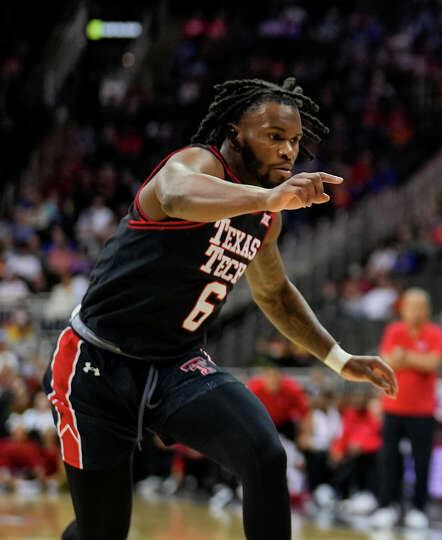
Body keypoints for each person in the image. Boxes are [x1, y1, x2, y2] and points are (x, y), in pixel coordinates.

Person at [42, 77, 398, 540]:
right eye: (274, 137)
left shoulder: (265, 215)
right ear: (235, 133)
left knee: (265, 454)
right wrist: (268, 197)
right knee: (102, 532)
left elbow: (274, 294)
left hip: (176, 365)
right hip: (97, 364)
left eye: (293, 141)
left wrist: (339, 357)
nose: (288, 151)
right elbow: (175, 194)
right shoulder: (197, 163)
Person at [371, 288, 442, 529]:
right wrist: (414, 359)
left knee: (422, 460)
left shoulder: (435, 333)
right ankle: (387, 505)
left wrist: (404, 356)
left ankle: (418, 508)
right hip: (393, 408)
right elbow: (384, 361)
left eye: (419, 306)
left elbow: (432, 362)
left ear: (427, 310)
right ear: (402, 308)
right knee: (388, 459)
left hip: (423, 411)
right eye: (410, 306)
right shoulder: (393, 330)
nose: (414, 311)